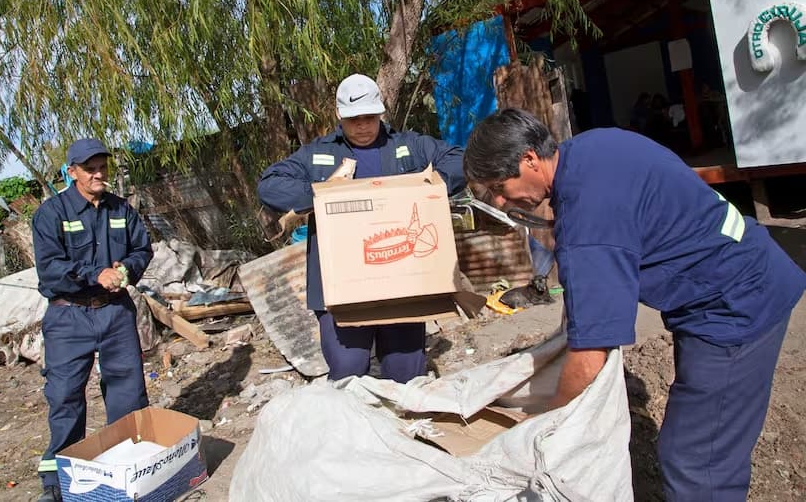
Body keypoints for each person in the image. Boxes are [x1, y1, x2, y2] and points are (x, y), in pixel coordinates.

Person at [462, 108, 805, 501]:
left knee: (696, 461)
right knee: (702, 448)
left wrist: (545, 423)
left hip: (735, 309)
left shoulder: (589, 222)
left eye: (500, 187)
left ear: (529, 159)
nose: (504, 203)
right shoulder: (594, 146)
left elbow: (591, 354)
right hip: (737, 276)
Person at [258, 74, 465, 383]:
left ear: (381, 113)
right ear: (339, 116)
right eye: (355, 119)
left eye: (371, 117)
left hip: (403, 282)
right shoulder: (317, 155)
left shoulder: (408, 146)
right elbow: (269, 185)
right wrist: (322, 192)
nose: (364, 126)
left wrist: (429, 189)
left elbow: (459, 160)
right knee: (348, 370)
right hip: (340, 287)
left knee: (405, 372)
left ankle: (404, 425)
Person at [31, 138, 153, 502]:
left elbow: (141, 249)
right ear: (72, 172)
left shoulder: (122, 209)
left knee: (128, 393)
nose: (99, 174)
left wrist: (126, 269)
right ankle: (57, 484)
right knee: (65, 397)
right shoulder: (52, 213)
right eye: (90, 169)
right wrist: (93, 274)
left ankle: (127, 468)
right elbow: (50, 269)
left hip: (116, 313)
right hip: (69, 317)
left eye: (103, 166)